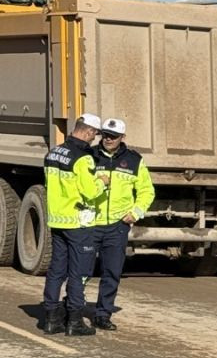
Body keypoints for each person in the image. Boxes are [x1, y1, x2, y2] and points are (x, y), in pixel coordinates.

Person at [39, 114, 107, 336]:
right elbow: (89, 191)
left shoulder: (53, 152)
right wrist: (102, 183)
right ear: (88, 132)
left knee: (56, 270)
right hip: (78, 221)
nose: (94, 139)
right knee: (79, 272)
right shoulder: (83, 158)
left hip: (57, 219)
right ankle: (75, 321)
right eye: (94, 135)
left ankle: (50, 319)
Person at [90, 118, 154, 330]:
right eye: (105, 135)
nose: (108, 139)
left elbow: (146, 191)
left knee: (111, 272)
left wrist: (135, 213)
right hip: (90, 223)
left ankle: (103, 314)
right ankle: (72, 308)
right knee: (81, 271)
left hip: (117, 226)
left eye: (113, 136)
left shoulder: (134, 160)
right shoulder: (89, 156)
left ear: (122, 138)